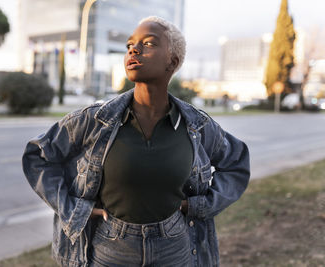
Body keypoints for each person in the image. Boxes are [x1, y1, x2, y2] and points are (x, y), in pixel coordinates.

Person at [22, 16, 250, 267]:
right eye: (130, 45)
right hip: (112, 248)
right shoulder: (95, 120)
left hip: (174, 246)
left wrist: (199, 205)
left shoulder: (196, 125)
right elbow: (39, 155)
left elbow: (236, 162)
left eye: (149, 43)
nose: (134, 49)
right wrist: (75, 210)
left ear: (172, 61)